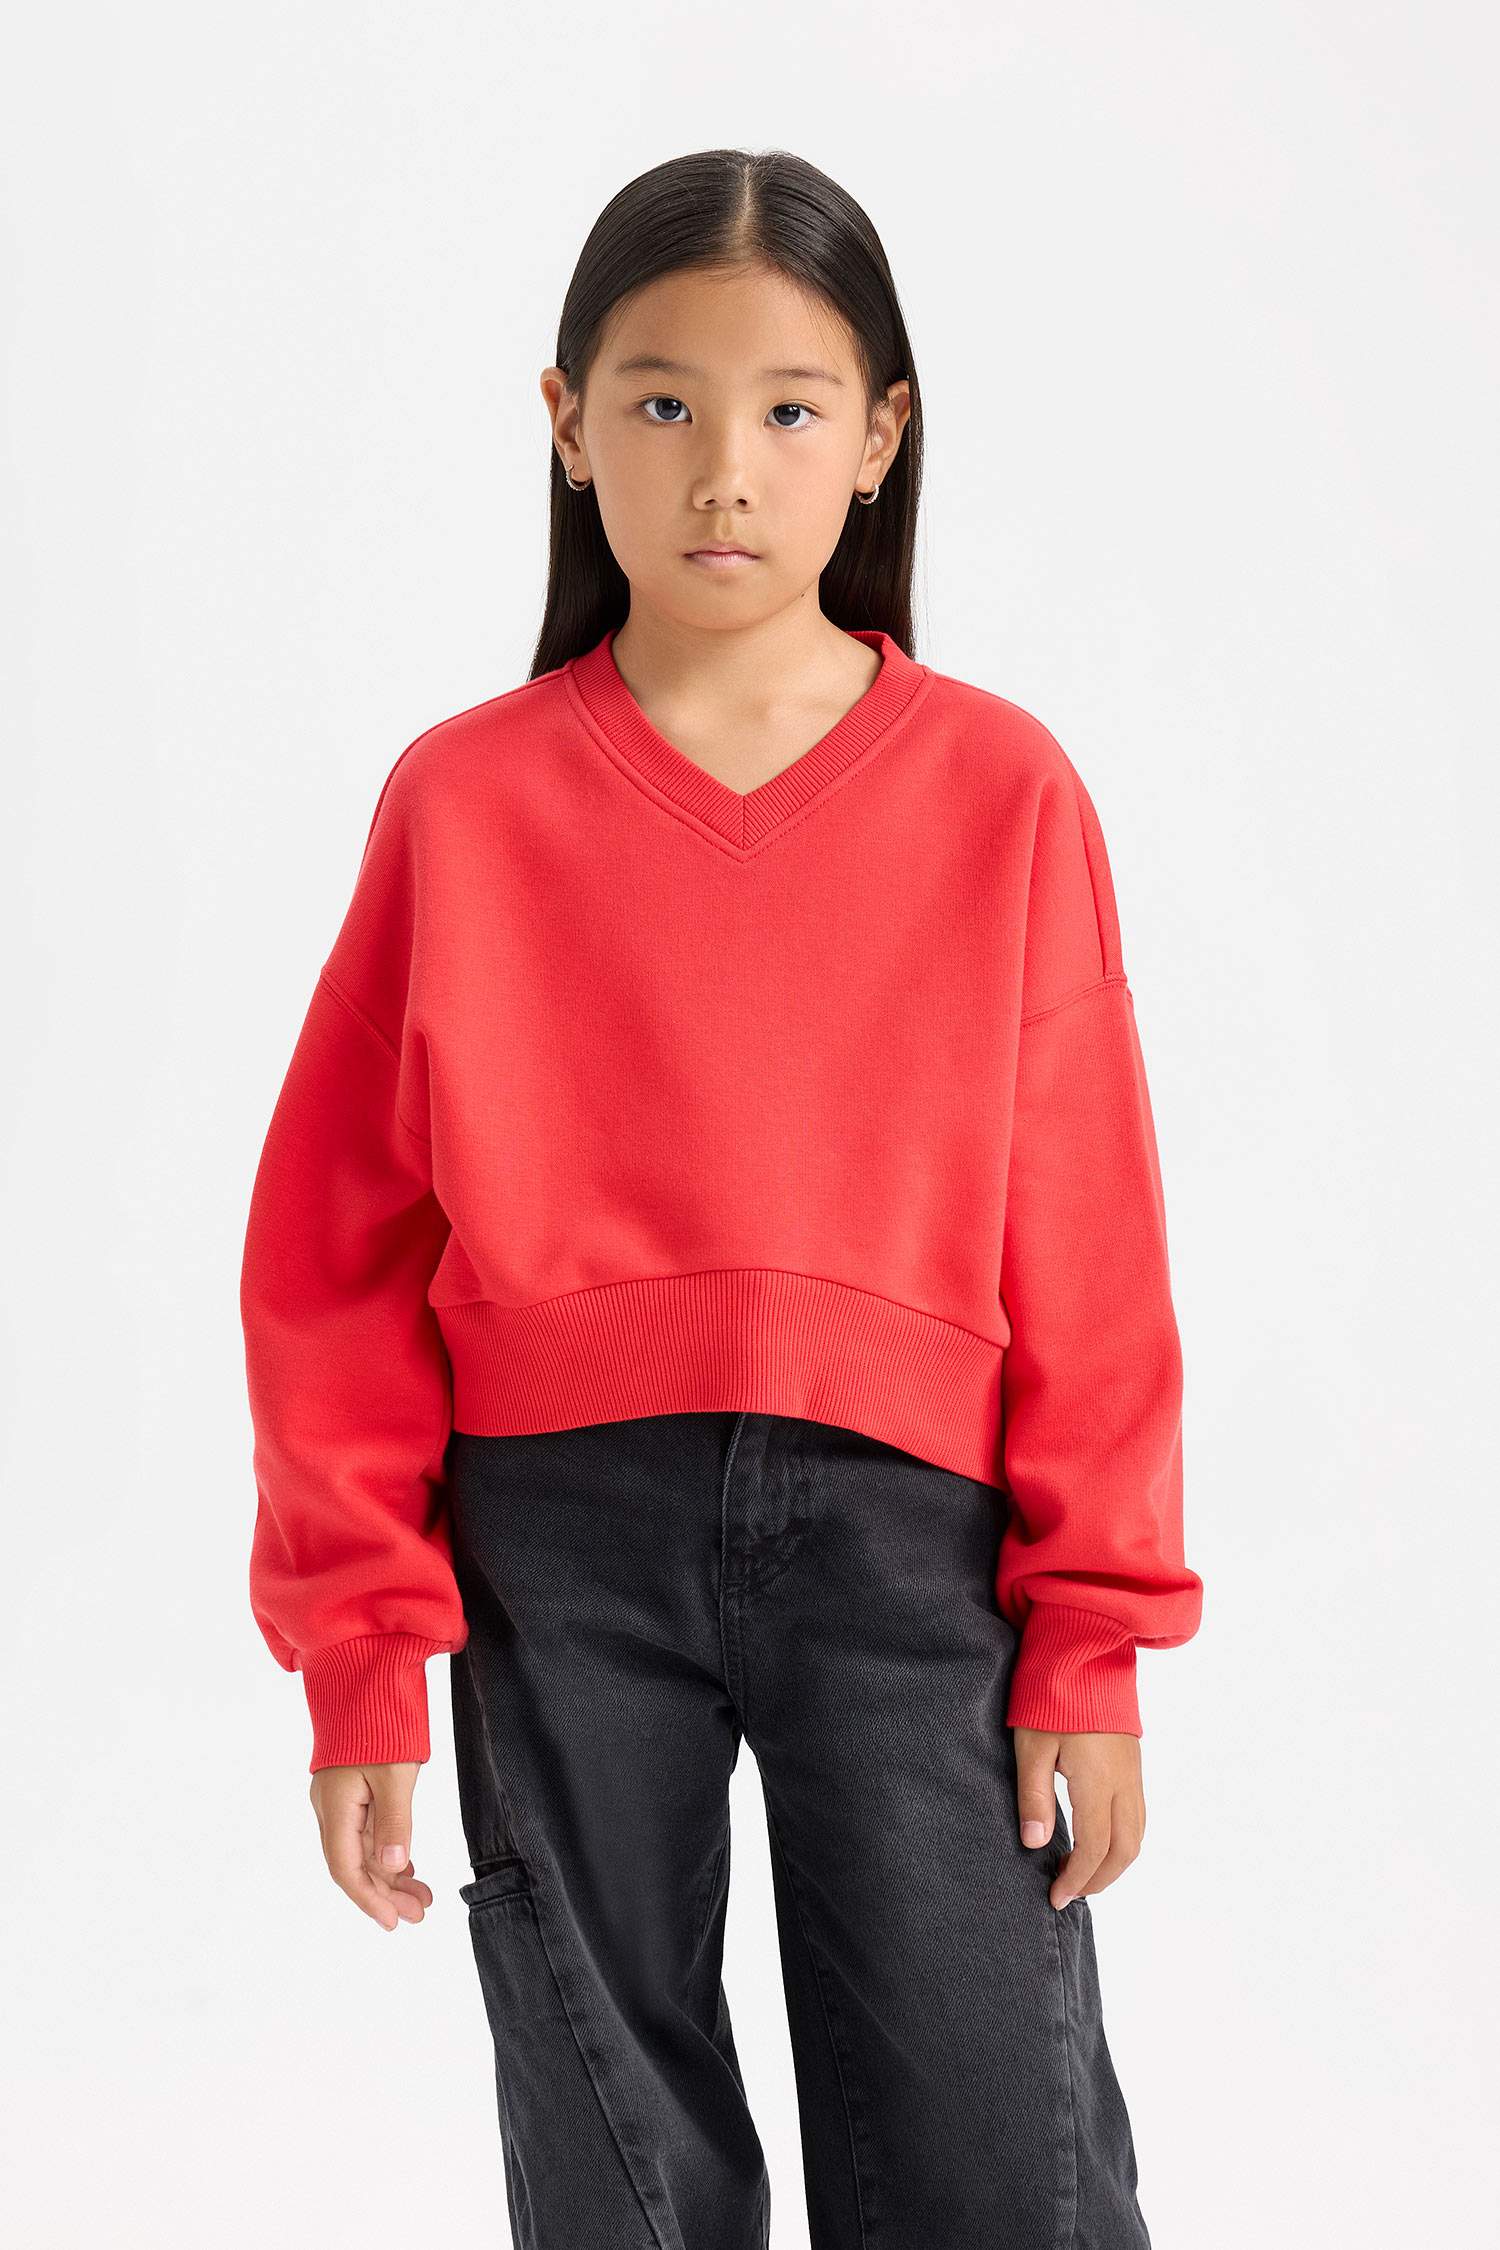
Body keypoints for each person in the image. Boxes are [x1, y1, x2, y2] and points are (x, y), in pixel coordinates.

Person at [239, 145, 1203, 2249]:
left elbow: (1090, 1244)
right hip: (556, 1542)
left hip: (916, 1546)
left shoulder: (1003, 790)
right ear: (569, 423)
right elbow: (330, 1257)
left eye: (789, 407)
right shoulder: (465, 801)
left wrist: (1094, 1633)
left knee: (996, 2160)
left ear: (882, 436)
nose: (725, 470)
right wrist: (363, 1655)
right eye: (663, 402)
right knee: (616, 2172)